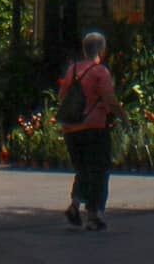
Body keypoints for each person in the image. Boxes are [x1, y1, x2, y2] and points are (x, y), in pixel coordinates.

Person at [59, 30, 120, 233]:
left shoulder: (72, 69)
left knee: (83, 170)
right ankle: (94, 216)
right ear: (102, 51)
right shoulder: (100, 72)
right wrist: (121, 114)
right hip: (94, 128)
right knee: (99, 171)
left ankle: (75, 205)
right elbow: (109, 98)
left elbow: (62, 97)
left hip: (71, 128)